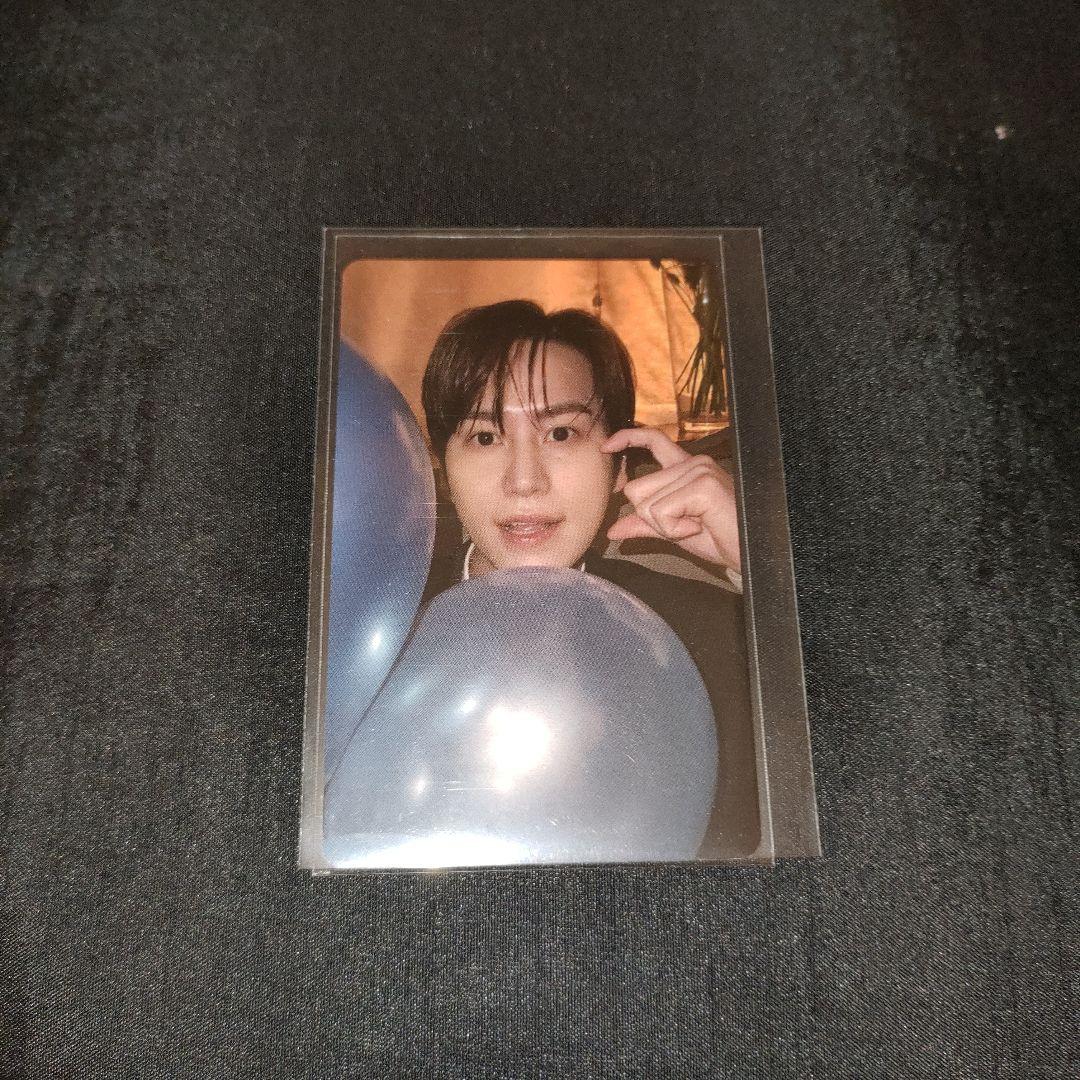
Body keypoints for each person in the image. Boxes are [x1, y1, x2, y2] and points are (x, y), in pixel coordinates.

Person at [419, 300, 760, 858]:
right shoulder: (372, 629)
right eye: (484, 437)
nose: (524, 481)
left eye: (560, 433)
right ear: (442, 465)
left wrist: (761, 563)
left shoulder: (709, 634)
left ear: (620, 463)